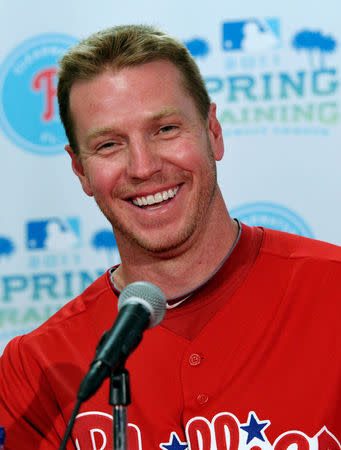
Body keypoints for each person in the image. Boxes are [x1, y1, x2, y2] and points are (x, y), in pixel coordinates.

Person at [0, 24, 340, 449]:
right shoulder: (37, 368)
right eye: (108, 145)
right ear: (80, 170)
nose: (143, 167)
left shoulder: (334, 290)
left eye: (165, 129)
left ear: (213, 132)